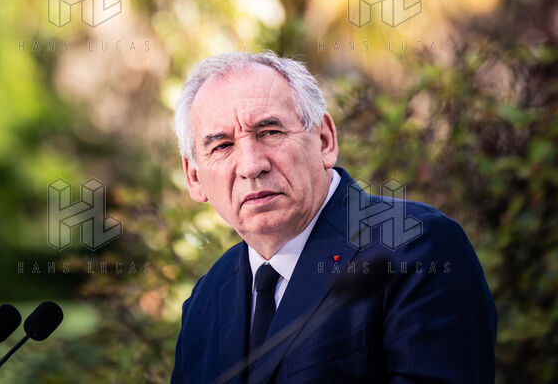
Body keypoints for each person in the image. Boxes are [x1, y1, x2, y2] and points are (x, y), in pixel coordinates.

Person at [171, 51, 497, 384]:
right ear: (194, 178)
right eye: (222, 146)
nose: (251, 166)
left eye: (270, 132)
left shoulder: (416, 245)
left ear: (325, 140)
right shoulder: (205, 300)